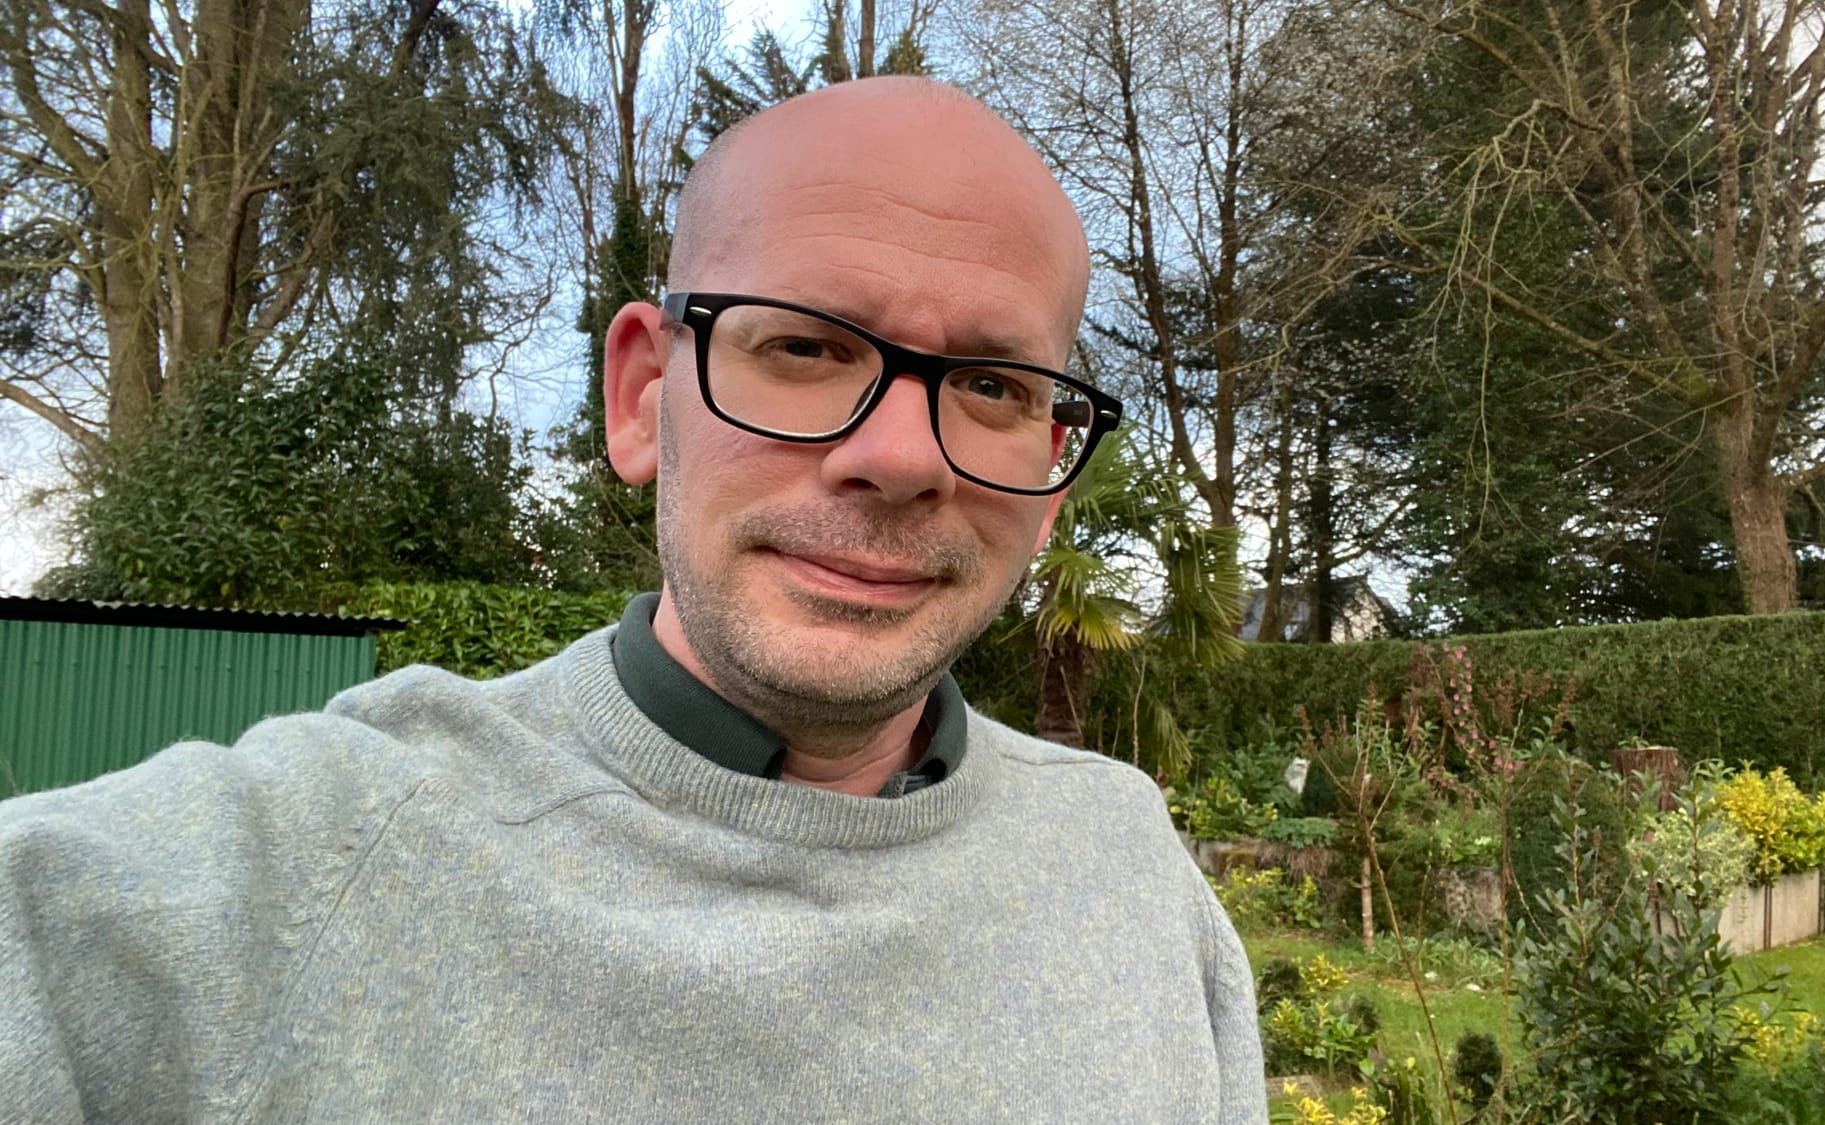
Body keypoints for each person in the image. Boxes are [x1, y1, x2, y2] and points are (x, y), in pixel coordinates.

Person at [0, 77, 1263, 1122]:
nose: (899, 457)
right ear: (640, 397)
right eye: (806, 346)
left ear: (1052, 473)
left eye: (990, 385)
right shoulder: (263, 879)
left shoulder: (1130, 872)